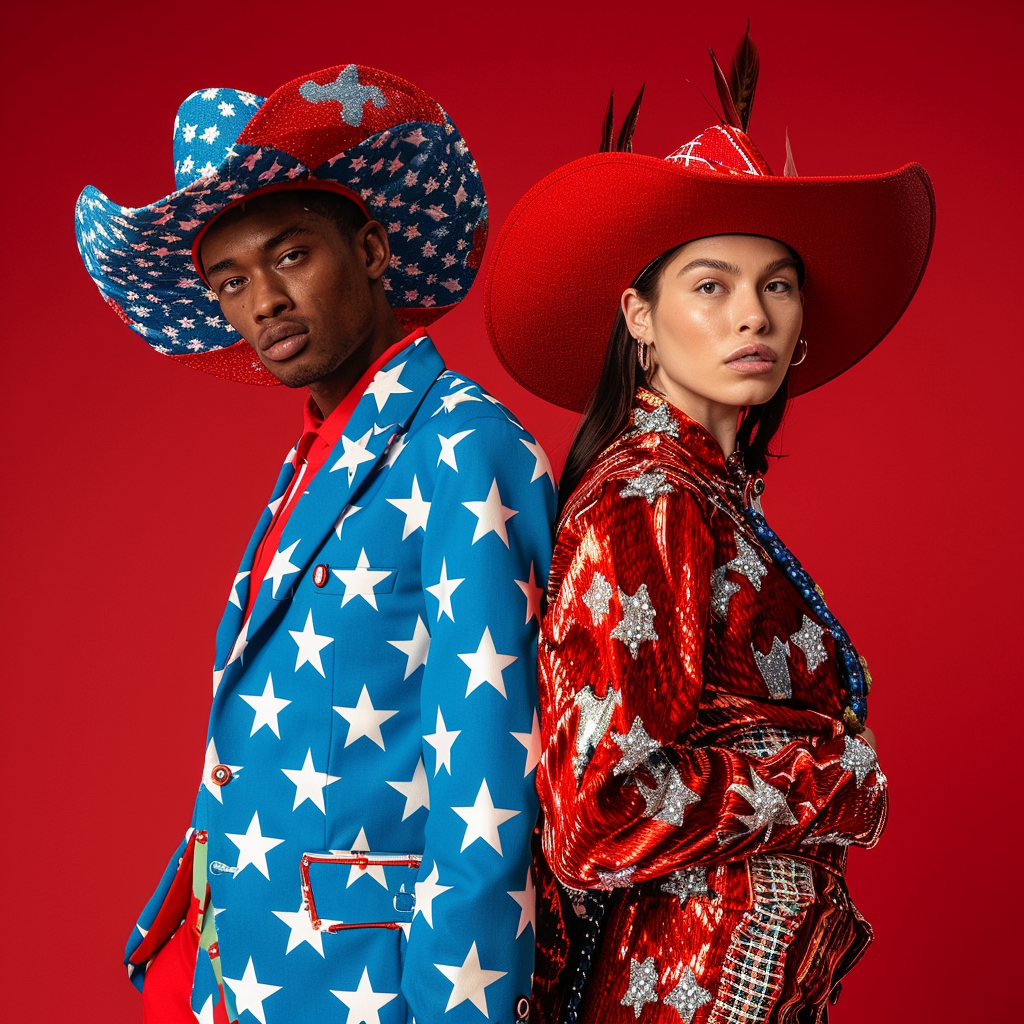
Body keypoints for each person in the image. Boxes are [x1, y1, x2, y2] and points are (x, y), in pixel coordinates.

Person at [76, 64, 554, 1023]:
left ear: (371, 247)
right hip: (243, 963)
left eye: (290, 255)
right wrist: (183, 924)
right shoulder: (311, 460)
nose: (264, 303)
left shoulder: (464, 445)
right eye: (231, 282)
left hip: (371, 984)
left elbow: (492, 776)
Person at [484, 29, 934, 1024]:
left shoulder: (704, 494)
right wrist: (835, 776)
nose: (753, 317)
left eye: (775, 284)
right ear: (638, 316)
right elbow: (599, 814)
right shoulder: (647, 499)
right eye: (710, 285)